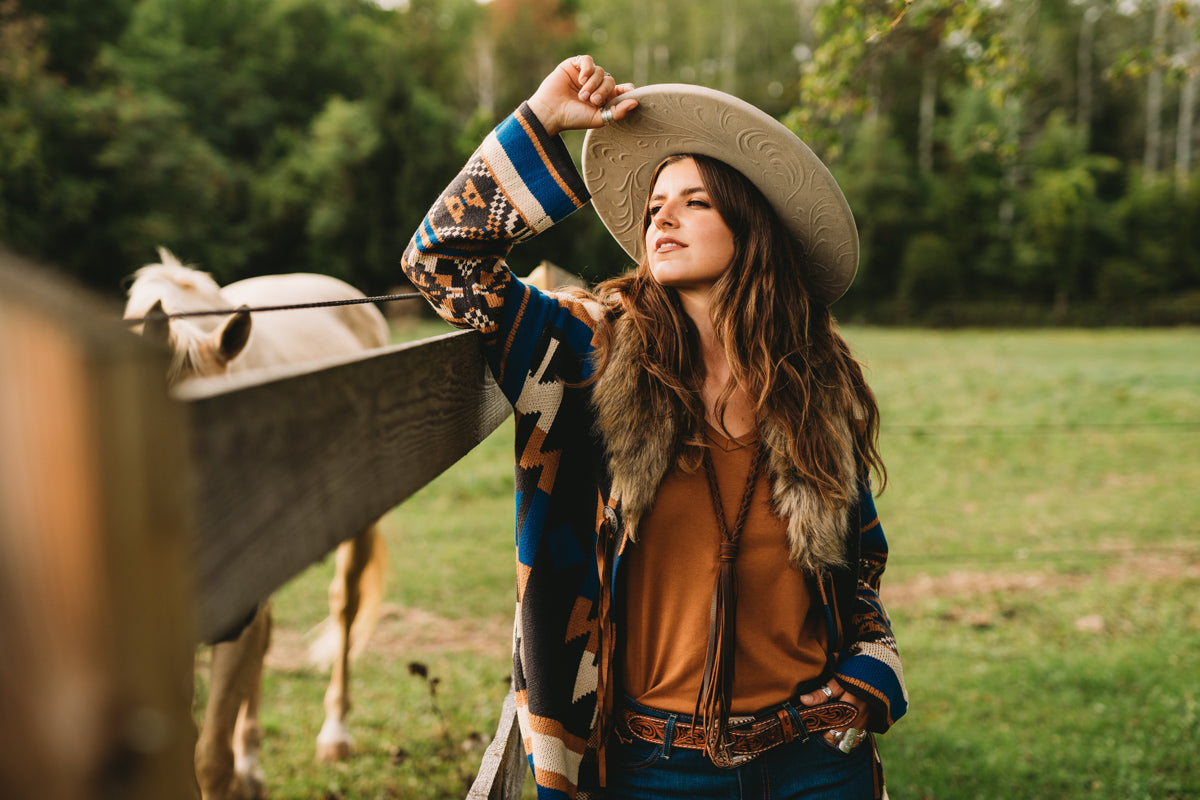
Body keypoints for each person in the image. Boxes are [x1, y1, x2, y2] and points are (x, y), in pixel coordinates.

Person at [401, 55, 907, 800]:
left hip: (816, 762)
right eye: (654, 206)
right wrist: (541, 117)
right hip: (655, 768)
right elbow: (441, 259)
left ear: (752, 223)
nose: (661, 217)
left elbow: (856, 565)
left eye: (694, 202)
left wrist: (870, 675)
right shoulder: (587, 356)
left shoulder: (810, 387)